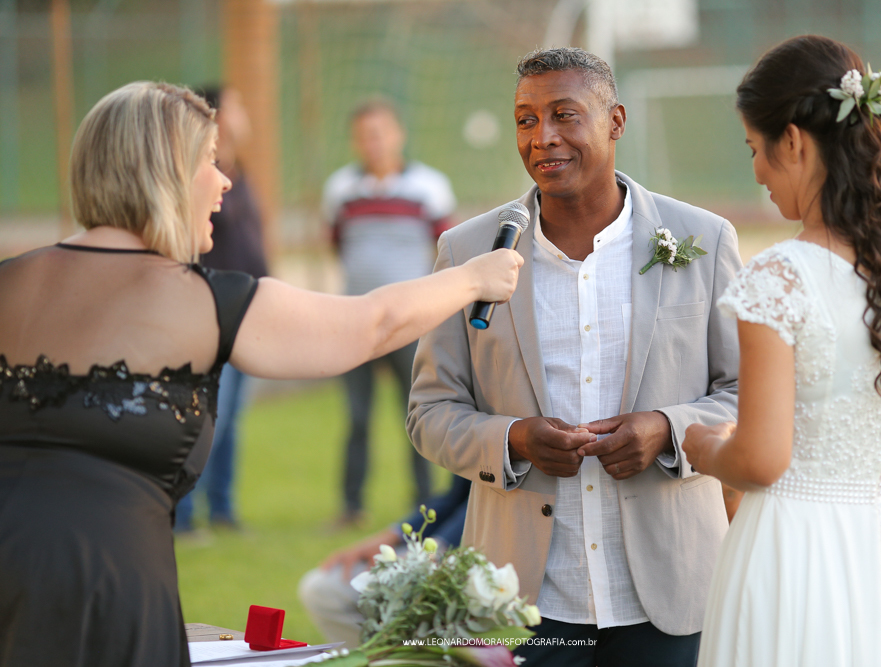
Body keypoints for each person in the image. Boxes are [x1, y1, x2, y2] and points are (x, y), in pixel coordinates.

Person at [0, 81, 520, 667]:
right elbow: (369, 324)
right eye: (210, 162)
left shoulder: (9, 281)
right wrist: (474, 278)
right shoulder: (201, 300)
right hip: (110, 602)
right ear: (164, 173)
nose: (224, 181)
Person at [407, 47, 742, 667]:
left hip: (673, 594)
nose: (543, 138)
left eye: (564, 115)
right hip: (524, 601)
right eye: (526, 120)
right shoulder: (467, 251)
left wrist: (668, 430)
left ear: (615, 120)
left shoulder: (705, 240)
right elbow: (429, 412)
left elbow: (746, 395)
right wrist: (513, 439)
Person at [682, 35, 881, 666]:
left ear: (792, 141)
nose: (758, 172)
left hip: (792, 550)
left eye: (755, 149)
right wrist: (857, 474)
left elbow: (762, 460)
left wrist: (707, 447)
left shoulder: (780, 278)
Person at [323, 99, 456, 526]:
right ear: (355, 140)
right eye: (365, 134)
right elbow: (337, 245)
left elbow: (446, 252)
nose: (373, 142)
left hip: (409, 325)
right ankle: (350, 506)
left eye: (381, 132)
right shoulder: (340, 189)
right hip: (355, 324)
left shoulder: (430, 188)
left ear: (398, 134)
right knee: (357, 417)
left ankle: (423, 504)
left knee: (417, 415)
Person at [175, 84, 267, 533]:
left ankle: (223, 510)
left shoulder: (238, 169)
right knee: (211, 416)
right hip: (214, 313)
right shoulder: (199, 175)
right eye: (236, 105)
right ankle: (185, 516)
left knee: (232, 422)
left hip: (249, 312)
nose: (244, 113)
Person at [297, 475, 471, 646]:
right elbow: (459, 494)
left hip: (477, 559)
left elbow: (493, 501)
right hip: (439, 544)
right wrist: (391, 535)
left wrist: (436, 550)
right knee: (324, 589)